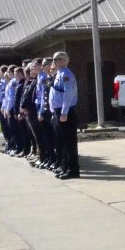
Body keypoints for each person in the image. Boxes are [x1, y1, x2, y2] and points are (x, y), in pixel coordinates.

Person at [50, 51, 79, 179]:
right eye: (54, 59)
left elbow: (68, 94)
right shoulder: (58, 74)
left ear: (65, 60)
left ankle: (73, 170)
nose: (55, 62)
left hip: (65, 112)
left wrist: (64, 112)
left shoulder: (67, 74)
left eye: (57, 59)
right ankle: (65, 167)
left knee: (69, 142)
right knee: (62, 142)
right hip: (58, 111)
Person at [0, 65, 12, 153]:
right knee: (3, 126)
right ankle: (8, 142)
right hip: (0, 105)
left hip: (4, 105)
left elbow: (5, 95)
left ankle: (10, 143)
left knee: (6, 126)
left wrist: (4, 106)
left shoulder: (6, 82)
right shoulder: (2, 81)